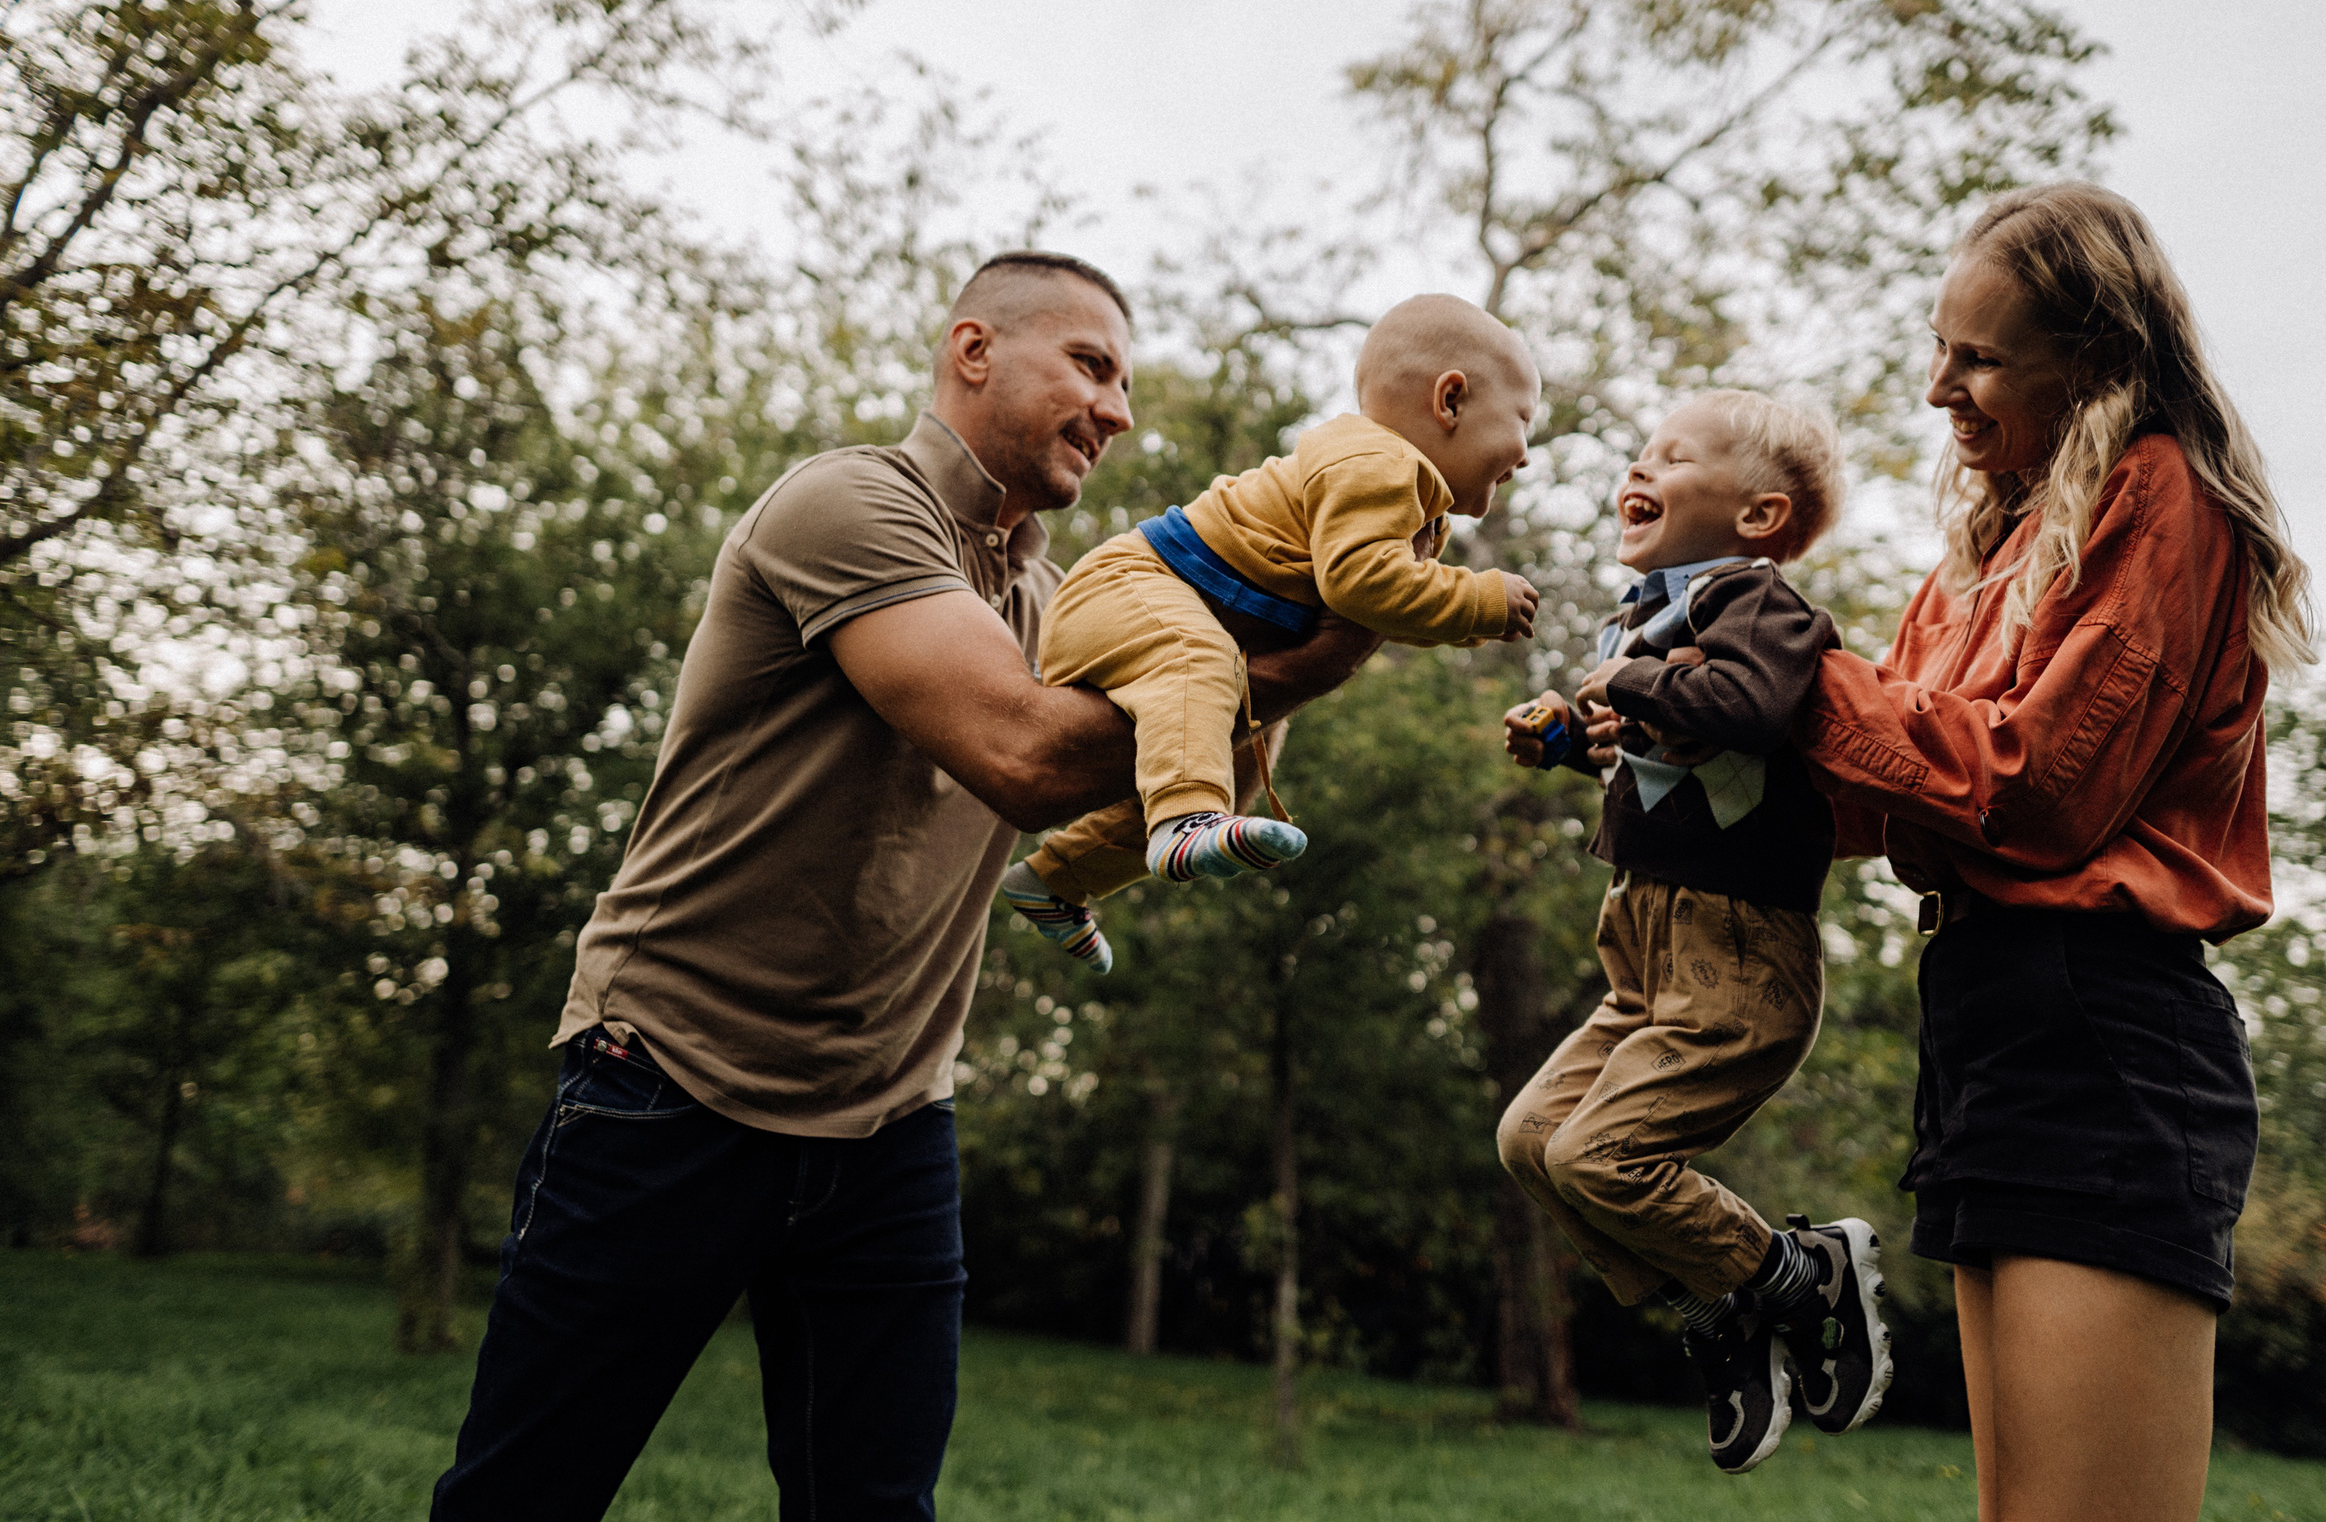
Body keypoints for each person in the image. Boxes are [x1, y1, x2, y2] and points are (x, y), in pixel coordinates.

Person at [429, 252, 1382, 1522]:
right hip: (671, 1080)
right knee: (525, 1498)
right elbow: (1028, 757)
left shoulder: (1053, 595)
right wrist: (1284, 673)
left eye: (1123, 382)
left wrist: (1326, 598)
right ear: (973, 351)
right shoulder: (846, 504)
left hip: (888, 1122)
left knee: (874, 1511)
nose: (1118, 410)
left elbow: (1144, 770)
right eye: (1090, 366)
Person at [1786, 184, 2315, 1521]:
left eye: (1976, 357)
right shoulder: (1988, 549)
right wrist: (1685, 723)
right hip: (1986, 1019)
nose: (1936, 390)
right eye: (1939, 348)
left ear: (2090, 357)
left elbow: (2039, 789)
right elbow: (1872, 795)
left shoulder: (2163, 496)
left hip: (2105, 1024)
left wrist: (1793, 678)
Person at [1494, 388, 1893, 1474]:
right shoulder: (1650, 620)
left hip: (1735, 951)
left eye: (1669, 456)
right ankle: (1730, 1298)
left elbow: (1750, 709)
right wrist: (1576, 737)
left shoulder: (1764, 609)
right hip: (1642, 946)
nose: (1638, 467)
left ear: (1758, 515)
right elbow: (1667, 747)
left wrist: (1626, 679)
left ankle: (1797, 1278)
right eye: (1639, 452)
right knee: (1532, 1141)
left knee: (1600, 1154)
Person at [999, 293, 1543, 971]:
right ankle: (1183, 821)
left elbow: (1386, 604)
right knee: (1198, 663)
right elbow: (1363, 583)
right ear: (1452, 400)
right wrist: (1482, 599)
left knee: (1241, 763)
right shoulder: (1377, 462)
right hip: (1125, 589)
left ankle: (1058, 878)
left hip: (1175, 614)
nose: (1524, 453)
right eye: (1523, 420)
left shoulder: (1407, 495)